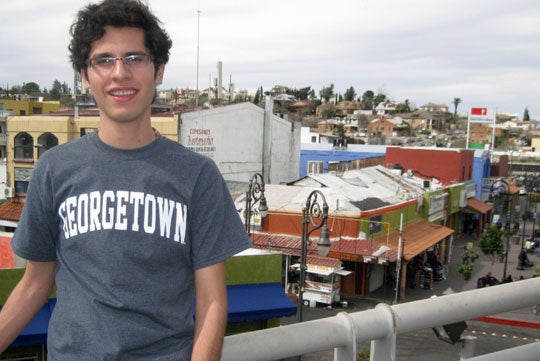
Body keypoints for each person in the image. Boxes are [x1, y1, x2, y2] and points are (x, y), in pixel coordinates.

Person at [0, 1, 251, 360]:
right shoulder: (54, 169)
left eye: (135, 58)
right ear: (85, 76)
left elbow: (211, 302)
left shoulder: (197, 176)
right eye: (104, 60)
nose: (120, 73)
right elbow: (34, 283)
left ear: (159, 70)